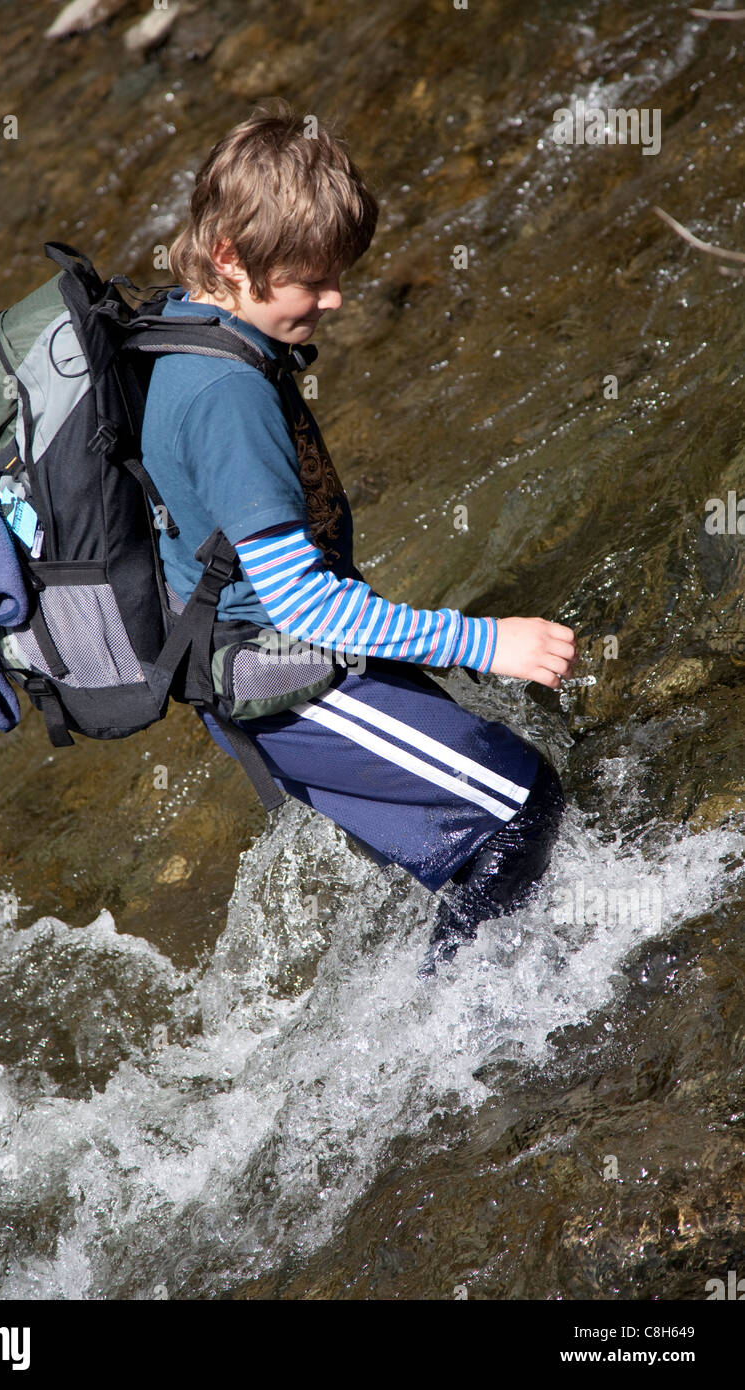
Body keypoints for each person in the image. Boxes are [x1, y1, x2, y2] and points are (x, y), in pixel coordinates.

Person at [140, 99, 577, 976]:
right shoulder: (226, 397)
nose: (336, 299)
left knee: (474, 833)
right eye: (313, 280)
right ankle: (460, 1036)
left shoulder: (185, 325)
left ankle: (473, 1002)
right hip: (287, 678)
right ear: (232, 257)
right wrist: (487, 642)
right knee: (520, 806)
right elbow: (303, 601)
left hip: (261, 659)